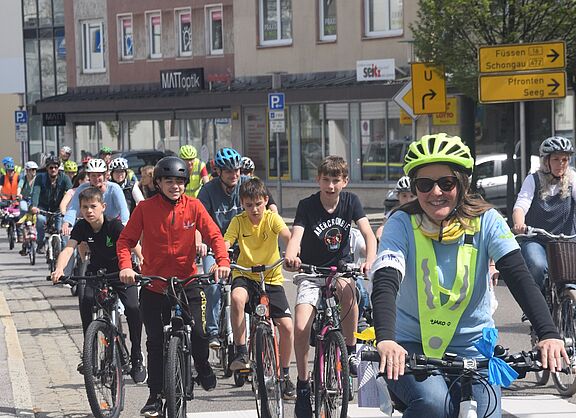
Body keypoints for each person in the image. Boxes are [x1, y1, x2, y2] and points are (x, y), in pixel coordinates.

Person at [371, 133, 568, 418]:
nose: (435, 192)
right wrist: (386, 339)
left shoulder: (487, 220)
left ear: (461, 184)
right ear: (415, 187)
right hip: (411, 344)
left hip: (473, 347)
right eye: (424, 184)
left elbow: (518, 275)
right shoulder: (401, 223)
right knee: (435, 406)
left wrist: (549, 334)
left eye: (446, 183)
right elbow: (387, 279)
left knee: (487, 414)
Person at [117, 156, 230, 416]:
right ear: (158, 183)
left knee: (201, 333)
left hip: (186, 282)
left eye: (180, 181)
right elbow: (125, 241)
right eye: (169, 181)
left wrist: (221, 261)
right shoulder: (145, 209)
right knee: (155, 343)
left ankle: (202, 364)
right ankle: (155, 395)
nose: (175, 186)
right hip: (154, 285)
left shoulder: (194, 206)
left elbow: (214, 236)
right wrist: (125, 266)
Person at [283, 155, 377, 418]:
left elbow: (368, 234)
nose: (331, 186)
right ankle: (303, 384)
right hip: (311, 272)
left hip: (340, 269)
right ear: (318, 180)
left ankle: (348, 353)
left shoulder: (351, 202)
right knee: (301, 326)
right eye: (326, 180)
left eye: (336, 180)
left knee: (349, 292)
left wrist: (369, 261)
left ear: (345, 181)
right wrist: (292, 256)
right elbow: (296, 236)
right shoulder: (306, 205)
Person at [50, 187, 146, 383]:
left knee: (133, 308)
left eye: (93, 206)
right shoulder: (81, 227)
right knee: (85, 300)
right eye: (84, 207)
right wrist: (59, 270)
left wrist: (144, 263)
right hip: (97, 273)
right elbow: (68, 250)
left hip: (121, 272)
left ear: (103, 207)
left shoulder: (114, 226)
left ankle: (136, 355)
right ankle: (89, 354)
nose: (89, 211)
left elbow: (135, 247)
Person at [223, 177, 295, 399]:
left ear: (265, 201)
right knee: (236, 298)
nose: (254, 210)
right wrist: (222, 258)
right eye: (248, 205)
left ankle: (284, 375)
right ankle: (241, 351)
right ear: (243, 204)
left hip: (271, 276)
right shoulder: (238, 221)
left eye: (258, 204)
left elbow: (287, 236)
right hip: (245, 275)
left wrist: (293, 252)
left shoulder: (273, 219)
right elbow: (226, 241)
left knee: (287, 326)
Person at [198, 147, 248, 348]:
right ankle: (212, 332)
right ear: (218, 172)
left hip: (242, 246)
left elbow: (267, 206)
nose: (234, 175)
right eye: (228, 171)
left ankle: (254, 329)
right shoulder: (208, 190)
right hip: (213, 246)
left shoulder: (246, 185)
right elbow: (198, 220)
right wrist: (199, 242)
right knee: (213, 283)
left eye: (236, 170)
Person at [512, 136, 576, 292]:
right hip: (537, 239)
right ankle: (534, 305)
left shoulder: (572, 179)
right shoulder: (533, 180)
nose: (561, 164)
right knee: (537, 266)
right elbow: (520, 206)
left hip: (566, 241)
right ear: (546, 161)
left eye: (564, 159)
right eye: (555, 159)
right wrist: (519, 224)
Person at [61, 158, 130, 237]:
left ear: (105, 175)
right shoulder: (82, 188)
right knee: (80, 239)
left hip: (111, 224)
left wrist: (125, 224)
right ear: (89, 176)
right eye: (93, 175)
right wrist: (67, 223)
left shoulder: (114, 188)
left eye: (99, 175)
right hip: (91, 224)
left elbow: (123, 209)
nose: (96, 178)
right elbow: (73, 207)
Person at [30, 156, 72, 254]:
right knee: (40, 220)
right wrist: (34, 206)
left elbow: (71, 193)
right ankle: (40, 243)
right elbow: (36, 192)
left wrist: (69, 208)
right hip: (43, 208)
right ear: (47, 168)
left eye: (55, 167)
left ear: (58, 168)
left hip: (58, 208)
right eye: (51, 167)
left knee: (60, 229)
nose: (53, 169)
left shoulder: (64, 178)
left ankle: (63, 250)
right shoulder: (40, 178)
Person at [375, 176, 416, 241]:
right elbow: (383, 226)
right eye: (404, 196)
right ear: (398, 196)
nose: (408, 200)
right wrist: (379, 236)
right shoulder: (394, 212)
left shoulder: (421, 211)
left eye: (412, 196)